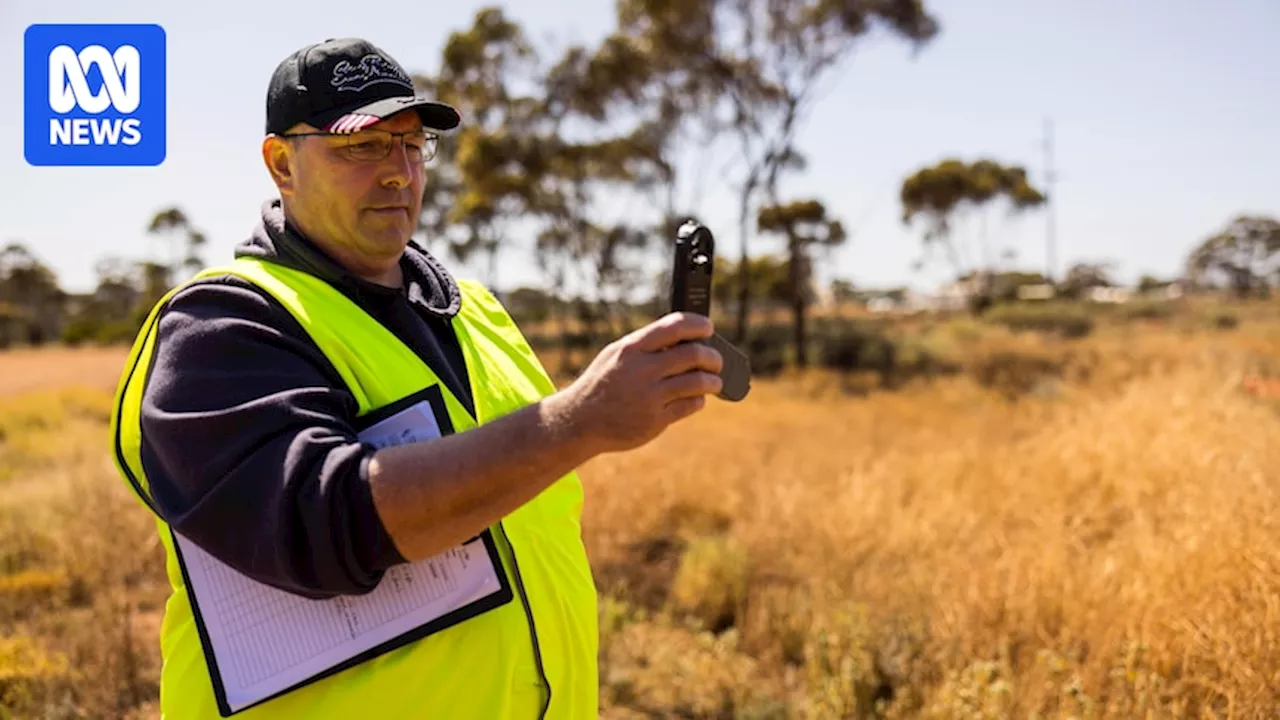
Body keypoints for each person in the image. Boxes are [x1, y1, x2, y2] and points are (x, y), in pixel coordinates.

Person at [110, 37, 724, 719]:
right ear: (282, 163)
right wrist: (578, 422)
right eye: (363, 146)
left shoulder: (478, 312)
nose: (399, 172)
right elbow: (322, 523)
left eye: (411, 144)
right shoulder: (223, 325)